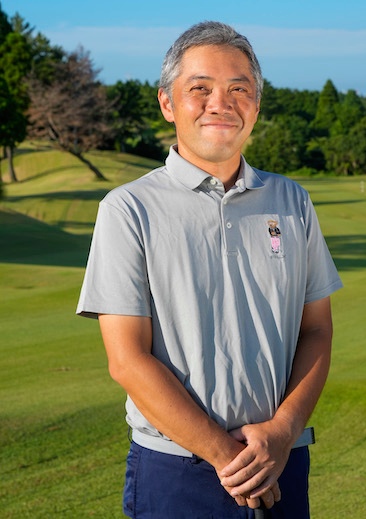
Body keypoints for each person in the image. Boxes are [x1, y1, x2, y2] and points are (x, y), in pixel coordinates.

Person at [77, 20, 343, 519]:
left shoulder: (292, 202)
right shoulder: (128, 209)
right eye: (200, 88)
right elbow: (128, 360)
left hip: (282, 460)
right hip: (178, 472)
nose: (221, 103)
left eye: (239, 89)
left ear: (256, 106)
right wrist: (227, 456)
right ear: (167, 103)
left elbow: (316, 330)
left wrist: (282, 433)